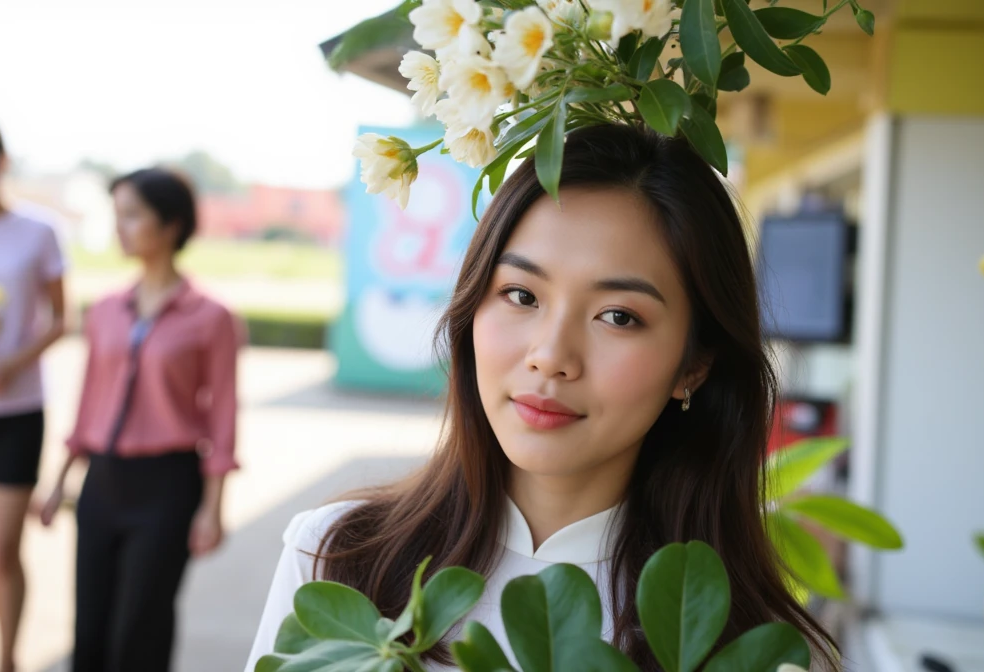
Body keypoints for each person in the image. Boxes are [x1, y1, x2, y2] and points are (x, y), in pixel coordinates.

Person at [244, 125, 838, 671]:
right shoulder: (338, 559)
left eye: (618, 316)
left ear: (696, 365)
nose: (550, 355)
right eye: (522, 295)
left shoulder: (763, 651)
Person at [39, 167, 242, 672]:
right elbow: (89, 401)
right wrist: (60, 479)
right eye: (117, 216)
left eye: (132, 215)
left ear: (171, 225)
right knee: (89, 632)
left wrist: (213, 508)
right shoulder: (105, 310)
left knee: (141, 628)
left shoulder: (211, 316)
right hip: (102, 483)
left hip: (168, 486)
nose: (120, 228)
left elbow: (223, 416)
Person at [0, 113, 67, 672]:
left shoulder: (38, 230)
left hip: (17, 410)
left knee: (3, 549)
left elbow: (62, 318)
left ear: (0, 161)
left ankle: (6, 660)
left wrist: (12, 361)